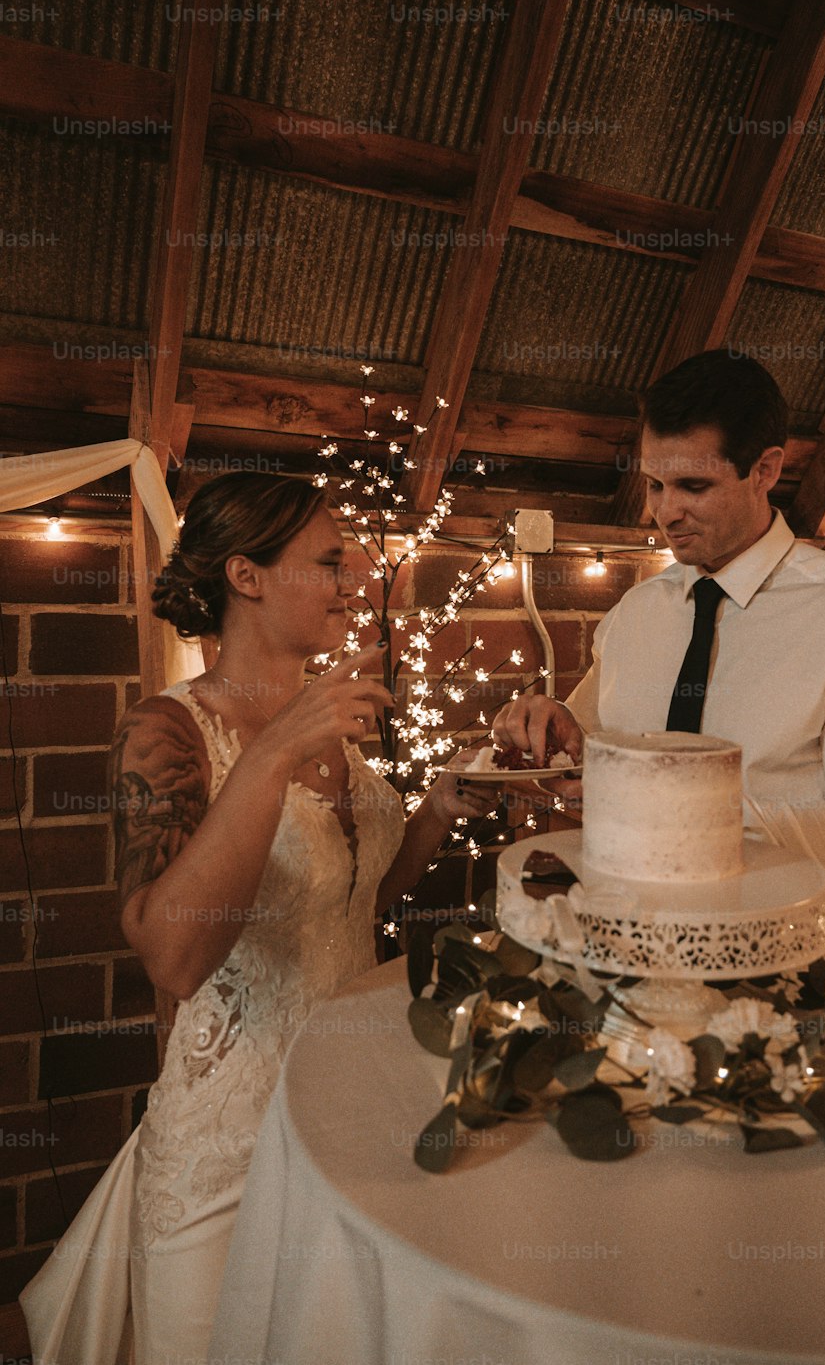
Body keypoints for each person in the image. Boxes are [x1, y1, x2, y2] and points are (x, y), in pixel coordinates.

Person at [21, 471, 491, 1365]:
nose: (353, 584)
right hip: (226, 1153)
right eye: (327, 563)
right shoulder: (167, 732)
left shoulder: (335, 725)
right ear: (247, 575)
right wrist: (275, 746)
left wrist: (435, 808)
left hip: (351, 1122)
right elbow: (174, 957)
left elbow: (349, 906)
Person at [493, 350, 825, 896]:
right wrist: (553, 731)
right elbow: (589, 751)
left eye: (693, 487)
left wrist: (698, 805)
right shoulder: (636, 613)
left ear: (766, 470)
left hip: (774, 949)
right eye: (655, 484)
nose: (665, 511)